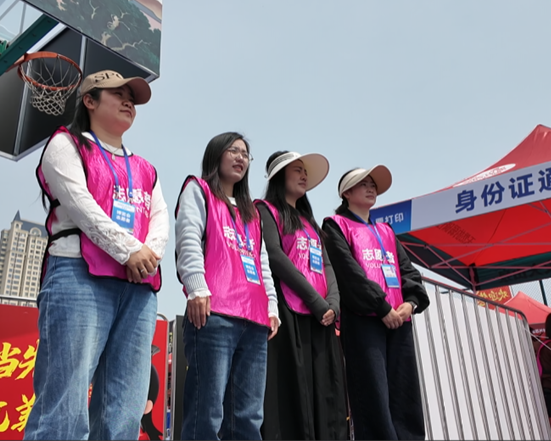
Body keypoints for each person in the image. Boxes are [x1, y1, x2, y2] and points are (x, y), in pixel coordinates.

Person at [25, 70, 169, 440]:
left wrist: (148, 255)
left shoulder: (145, 168)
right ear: (89, 100)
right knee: (64, 404)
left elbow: (160, 218)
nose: (128, 102)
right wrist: (129, 250)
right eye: (117, 94)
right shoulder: (66, 144)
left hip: (138, 287)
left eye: (132, 99)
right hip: (79, 274)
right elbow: (81, 205)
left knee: (124, 409)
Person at [175, 132, 280, 441]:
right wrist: (196, 288)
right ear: (216, 154)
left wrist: (271, 306)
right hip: (214, 314)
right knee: (206, 412)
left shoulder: (252, 213)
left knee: (248, 416)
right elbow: (188, 238)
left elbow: (262, 262)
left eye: (245, 154)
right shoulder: (199, 189)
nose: (240, 158)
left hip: (254, 319)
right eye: (233, 150)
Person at [322, 166, 430, 441]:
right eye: (363, 183)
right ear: (346, 193)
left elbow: (408, 271)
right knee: (373, 395)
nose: (371, 188)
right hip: (364, 321)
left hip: (399, 321)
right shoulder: (335, 225)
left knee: (405, 393)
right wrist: (382, 307)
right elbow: (349, 274)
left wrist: (411, 303)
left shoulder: (386, 230)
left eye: (373, 184)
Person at [255, 150, 348, 440]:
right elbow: (275, 256)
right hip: (290, 312)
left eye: (305, 170)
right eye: (297, 170)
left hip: (321, 317)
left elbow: (327, 265)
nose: (304, 175)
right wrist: (316, 301)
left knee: (326, 391)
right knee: (295, 391)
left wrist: (333, 303)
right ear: (279, 176)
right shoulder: (266, 210)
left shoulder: (310, 222)